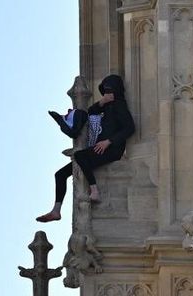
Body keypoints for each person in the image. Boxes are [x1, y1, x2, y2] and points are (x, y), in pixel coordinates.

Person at [36, 74, 135, 222]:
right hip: (97, 148)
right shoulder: (107, 106)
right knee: (60, 174)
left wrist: (108, 141)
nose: (107, 93)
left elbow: (129, 128)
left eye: (110, 91)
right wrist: (102, 102)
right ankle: (56, 211)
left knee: (80, 156)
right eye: (105, 91)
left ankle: (94, 190)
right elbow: (90, 112)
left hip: (112, 149)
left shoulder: (120, 105)